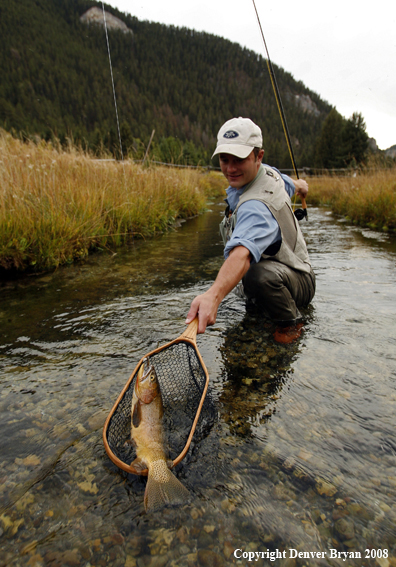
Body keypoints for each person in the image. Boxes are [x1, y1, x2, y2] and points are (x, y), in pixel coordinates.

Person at [185, 117, 315, 343]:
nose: (231, 169)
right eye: (224, 160)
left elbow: (243, 252)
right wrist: (300, 185)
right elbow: (288, 182)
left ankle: (291, 324)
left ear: (258, 156)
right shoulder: (266, 172)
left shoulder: (258, 205)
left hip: (298, 280)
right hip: (282, 273)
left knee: (256, 275)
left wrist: (213, 297)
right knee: (250, 278)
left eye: (239, 160)